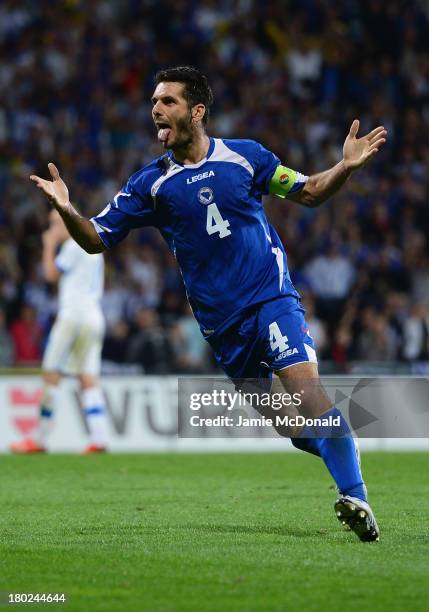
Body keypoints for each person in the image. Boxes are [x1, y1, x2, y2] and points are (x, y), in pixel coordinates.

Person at [29, 66, 387, 540]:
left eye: (168, 101)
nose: (156, 108)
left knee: (308, 395)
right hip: (222, 327)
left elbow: (310, 191)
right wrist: (67, 210)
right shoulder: (150, 185)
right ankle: (340, 442)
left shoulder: (246, 157)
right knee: (291, 428)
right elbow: (95, 239)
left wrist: (345, 167)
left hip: (270, 300)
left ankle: (355, 497)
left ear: (196, 112)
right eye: (154, 101)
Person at [10, 210, 108, 454]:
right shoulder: (92, 245)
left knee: (51, 374)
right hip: (94, 316)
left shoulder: (73, 246)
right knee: (88, 378)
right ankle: (99, 439)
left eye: (56, 223)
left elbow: (51, 275)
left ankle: (40, 439)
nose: (52, 228)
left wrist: (49, 245)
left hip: (72, 315)